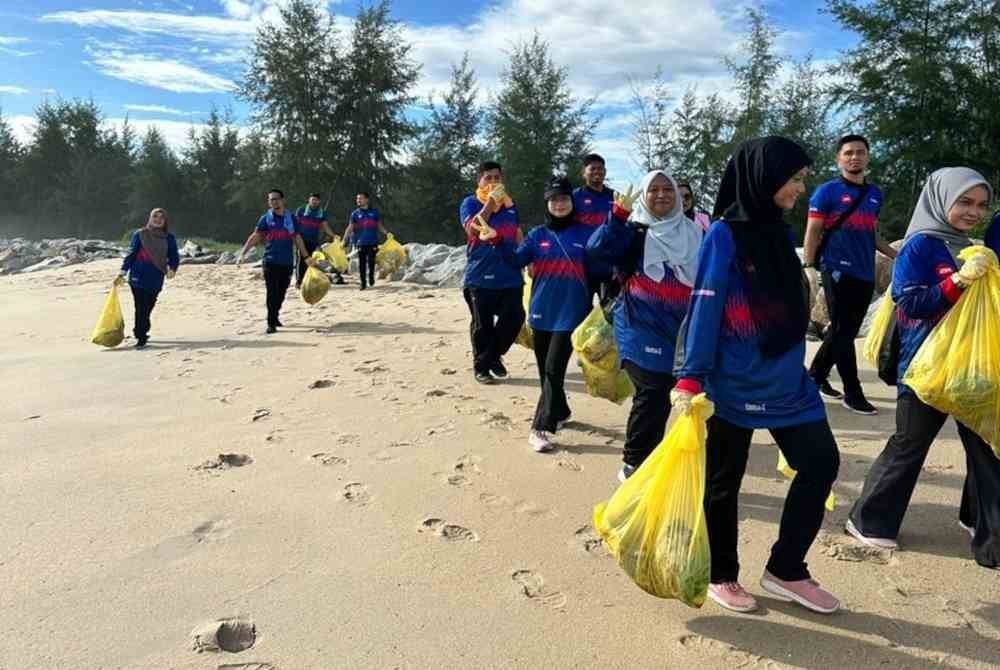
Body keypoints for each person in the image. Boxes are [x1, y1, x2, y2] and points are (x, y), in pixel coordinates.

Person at [672, 137, 841, 615]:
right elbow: (704, 305)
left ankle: (786, 568)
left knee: (820, 463)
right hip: (734, 380)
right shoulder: (724, 234)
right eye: (794, 178)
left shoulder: (779, 233)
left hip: (788, 378)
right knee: (724, 480)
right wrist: (690, 378)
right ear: (764, 178)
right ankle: (721, 573)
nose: (800, 188)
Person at [847, 167, 1000, 569]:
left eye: (981, 205)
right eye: (964, 202)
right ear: (940, 199)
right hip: (923, 368)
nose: (973, 212)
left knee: (986, 448)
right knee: (910, 444)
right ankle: (868, 519)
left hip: (968, 369)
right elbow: (911, 303)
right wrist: (959, 281)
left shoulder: (971, 246)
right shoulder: (919, 246)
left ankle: (985, 529)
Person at [587, 170, 702, 482]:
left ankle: (652, 458)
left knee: (665, 392)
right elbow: (597, 251)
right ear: (644, 195)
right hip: (637, 324)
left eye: (668, 189)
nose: (661, 195)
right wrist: (617, 216)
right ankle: (634, 463)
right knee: (653, 390)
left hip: (680, 329)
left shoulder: (695, 233)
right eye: (654, 190)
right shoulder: (633, 231)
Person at [803, 134, 897, 415]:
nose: (854, 157)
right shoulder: (827, 192)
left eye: (860, 152)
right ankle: (853, 393)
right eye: (848, 153)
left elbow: (871, 233)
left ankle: (815, 377)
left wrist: (896, 254)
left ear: (867, 157)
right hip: (836, 269)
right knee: (843, 331)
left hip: (864, 271)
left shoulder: (875, 193)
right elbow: (813, 230)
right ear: (839, 159)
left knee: (844, 331)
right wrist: (809, 265)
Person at [503, 177, 593, 452]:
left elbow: (603, 263)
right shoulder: (536, 235)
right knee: (545, 371)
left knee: (554, 369)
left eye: (564, 198)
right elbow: (515, 260)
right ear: (547, 204)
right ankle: (561, 410)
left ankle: (540, 426)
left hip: (572, 313)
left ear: (572, 202)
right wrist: (496, 241)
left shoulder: (587, 234)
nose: (559, 204)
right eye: (554, 199)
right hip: (541, 311)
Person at [459, 161, 525, 384]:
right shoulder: (470, 203)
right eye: (488, 178)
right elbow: (472, 230)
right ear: (479, 180)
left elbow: (517, 231)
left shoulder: (510, 205)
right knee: (482, 325)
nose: (493, 182)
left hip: (510, 273)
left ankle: (492, 356)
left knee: (515, 318)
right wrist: (490, 203)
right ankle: (482, 368)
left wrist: (526, 257)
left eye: (497, 178)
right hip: (480, 275)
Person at [237, 189, 315, 334]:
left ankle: (275, 314)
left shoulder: (291, 219)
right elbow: (256, 236)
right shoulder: (265, 219)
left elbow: (297, 238)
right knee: (272, 292)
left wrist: (306, 257)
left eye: (276, 199)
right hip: (270, 261)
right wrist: (243, 253)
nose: (274, 202)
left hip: (286, 262)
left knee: (282, 292)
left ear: (283, 200)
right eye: (271, 200)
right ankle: (271, 322)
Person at [116, 208, 180, 349]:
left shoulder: (169, 238)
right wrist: (122, 272)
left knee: (149, 305)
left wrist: (173, 268)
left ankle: (141, 329)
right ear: (150, 218)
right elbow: (131, 254)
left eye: (161, 217)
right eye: (155, 216)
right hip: (138, 275)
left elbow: (174, 256)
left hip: (156, 275)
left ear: (165, 221)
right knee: (140, 306)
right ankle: (141, 335)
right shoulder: (140, 234)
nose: (158, 219)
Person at [572, 153, 616, 304]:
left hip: (609, 265)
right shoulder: (574, 197)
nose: (597, 171)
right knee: (582, 309)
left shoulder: (615, 196)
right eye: (593, 169)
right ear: (584, 173)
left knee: (609, 310)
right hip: (583, 265)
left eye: (600, 168)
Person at [344, 191, 390, 291]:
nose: (358, 200)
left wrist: (387, 233)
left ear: (366, 200)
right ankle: (363, 283)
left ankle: (371, 277)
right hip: (360, 242)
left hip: (373, 241)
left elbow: (379, 225)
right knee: (362, 263)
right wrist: (344, 239)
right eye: (357, 199)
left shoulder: (374, 212)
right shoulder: (355, 214)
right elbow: (350, 227)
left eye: (360, 198)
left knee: (371, 261)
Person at [295, 192, 342, 288]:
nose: (314, 202)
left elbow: (325, 226)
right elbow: (295, 224)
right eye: (312, 200)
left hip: (313, 240)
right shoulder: (301, 210)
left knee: (311, 260)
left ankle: (307, 280)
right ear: (309, 200)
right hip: (301, 240)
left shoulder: (321, 213)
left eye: (316, 200)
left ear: (319, 201)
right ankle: (299, 281)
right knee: (301, 259)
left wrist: (333, 235)